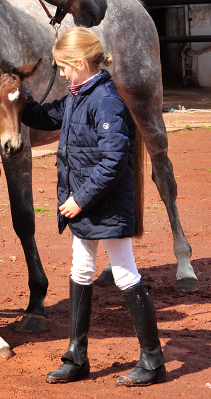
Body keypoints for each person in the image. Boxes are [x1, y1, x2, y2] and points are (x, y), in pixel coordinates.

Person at [21, 27, 166, 387]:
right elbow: (40, 117)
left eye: (64, 67)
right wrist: (12, 85)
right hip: (87, 206)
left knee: (125, 273)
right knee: (81, 270)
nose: (62, 74)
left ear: (80, 63)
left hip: (104, 205)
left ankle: (153, 361)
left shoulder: (105, 100)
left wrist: (78, 199)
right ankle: (76, 357)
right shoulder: (76, 96)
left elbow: (115, 160)